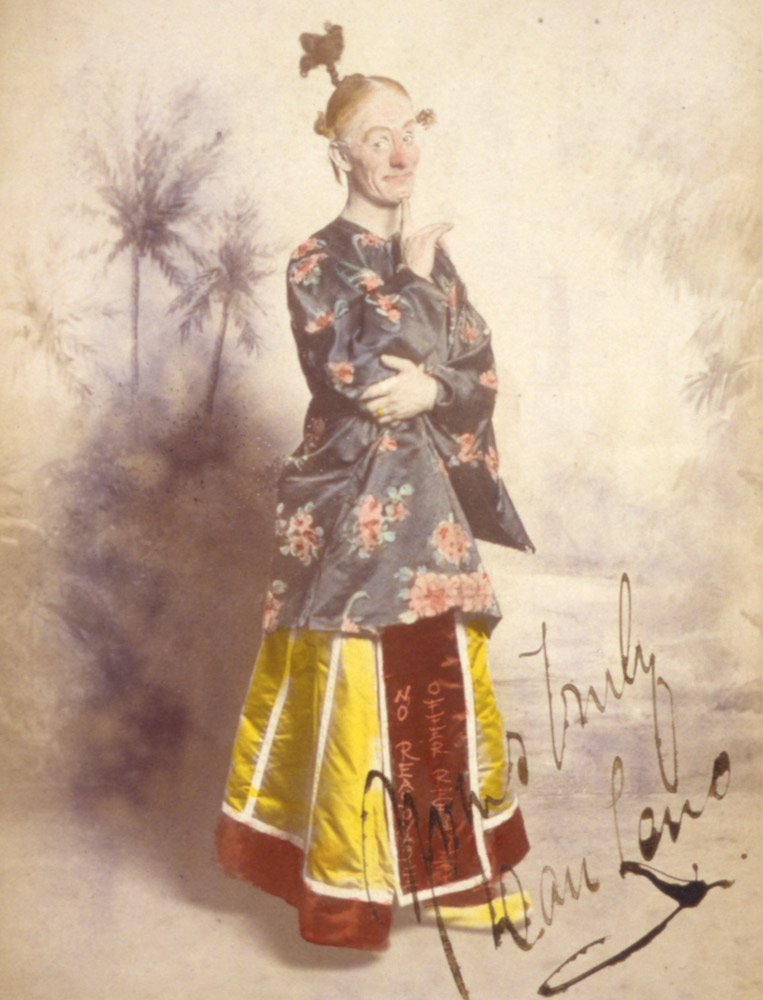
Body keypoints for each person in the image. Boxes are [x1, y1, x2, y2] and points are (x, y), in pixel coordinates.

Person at [216, 37, 534, 951]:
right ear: (338, 156)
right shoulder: (315, 259)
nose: (399, 154)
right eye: (375, 138)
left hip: (425, 507)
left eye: (408, 132)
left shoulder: (425, 255)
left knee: (437, 681)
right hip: (354, 505)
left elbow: (471, 363)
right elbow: (356, 370)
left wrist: (436, 387)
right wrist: (416, 286)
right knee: (359, 686)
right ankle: (348, 886)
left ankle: (457, 880)